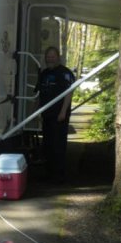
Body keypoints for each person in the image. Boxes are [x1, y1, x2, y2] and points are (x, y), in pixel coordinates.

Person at [36, 46, 75, 183]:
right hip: (46, 115)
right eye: (48, 56)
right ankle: (49, 173)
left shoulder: (65, 73)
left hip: (59, 115)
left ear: (58, 57)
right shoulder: (44, 73)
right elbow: (38, 94)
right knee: (47, 144)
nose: (50, 59)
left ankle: (59, 175)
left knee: (58, 144)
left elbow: (68, 93)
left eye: (52, 56)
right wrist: (39, 113)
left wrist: (63, 111)